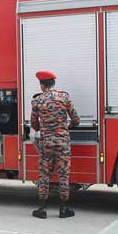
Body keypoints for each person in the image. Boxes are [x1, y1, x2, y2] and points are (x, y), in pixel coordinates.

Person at [30, 70, 80, 219]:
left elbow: (34, 123)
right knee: (63, 175)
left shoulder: (37, 101)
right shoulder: (64, 98)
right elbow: (76, 119)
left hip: (46, 143)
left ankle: (42, 210)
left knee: (44, 175)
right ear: (53, 83)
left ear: (42, 85)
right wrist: (65, 129)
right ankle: (64, 210)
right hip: (63, 142)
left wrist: (43, 128)